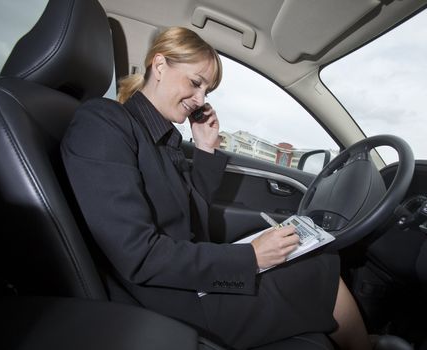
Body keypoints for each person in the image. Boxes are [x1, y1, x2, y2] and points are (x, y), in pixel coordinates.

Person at [61, 27, 371, 350]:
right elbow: (138, 255)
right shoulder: (103, 123)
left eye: (207, 90)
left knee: (308, 262)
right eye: (195, 83)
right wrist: (251, 257)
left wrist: (205, 148)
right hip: (161, 302)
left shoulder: (163, 139)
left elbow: (188, 219)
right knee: (320, 274)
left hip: (182, 283)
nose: (201, 100)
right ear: (160, 65)